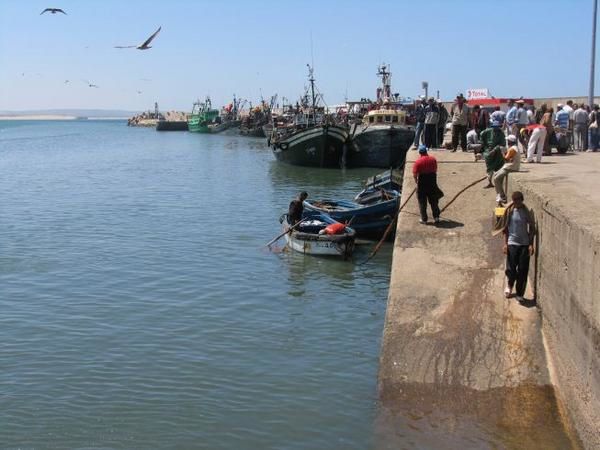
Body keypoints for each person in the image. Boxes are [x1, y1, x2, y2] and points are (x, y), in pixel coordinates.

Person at [495, 191, 536, 303]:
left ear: (522, 200)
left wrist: (531, 244)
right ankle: (509, 285)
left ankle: (519, 293)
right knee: (511, 268)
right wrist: (505, 244)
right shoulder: (509, 211)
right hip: (512, 243)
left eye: (518, 201)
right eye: (515, 201)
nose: (516, 203)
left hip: (524, 244)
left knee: (523, 270)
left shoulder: (526, 212)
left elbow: (532, 228)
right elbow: (505, 228)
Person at [413, 145, 443, 224]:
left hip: (422, 183)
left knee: (422, 202)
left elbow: (415, 174)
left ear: (420, 153)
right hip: (432, 182)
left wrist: (416, 181)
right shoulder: (433, 159)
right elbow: (435, 170)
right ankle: (436, 218)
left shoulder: (418, 162)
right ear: (426, 151)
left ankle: (424, 219)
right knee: (434, 200)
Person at [493, 135, 521, 204]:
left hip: (511, 167)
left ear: (510, 141)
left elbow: (506, 159)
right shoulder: (514, 148)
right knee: (495, 174)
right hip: (509, 166)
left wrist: (502, 152)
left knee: (496, 179)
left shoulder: (512, 149)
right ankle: (499, 194)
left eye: (508, 141)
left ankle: (502, 196)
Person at [480, 120, 506, 187]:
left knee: (499, 167)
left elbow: (502, 144)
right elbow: (481, 134)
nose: (496, 128)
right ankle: (489, 181)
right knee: (489, 167)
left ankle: (499, 182)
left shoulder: (501, 133)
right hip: (488, 151)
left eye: (497, 127)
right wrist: (484, 144)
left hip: (498, 152)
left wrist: (495, 150)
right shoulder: (488, 131)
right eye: (494, 127)